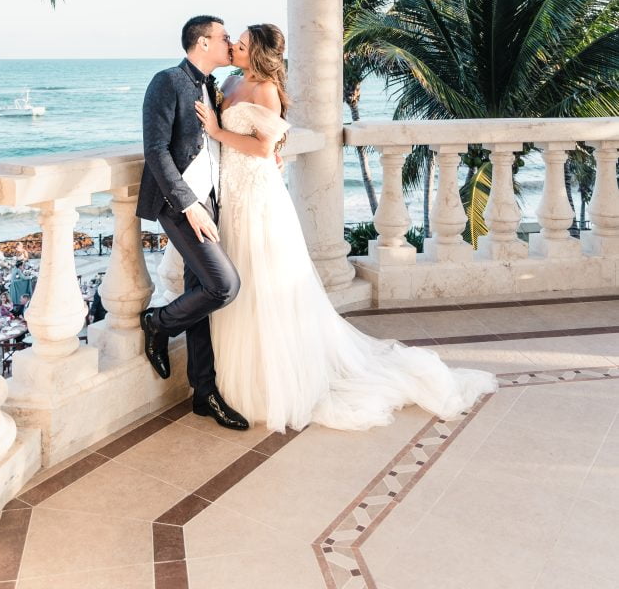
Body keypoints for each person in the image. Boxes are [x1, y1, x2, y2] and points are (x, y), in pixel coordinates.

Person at [194, 23, 498, 433]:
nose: (234, 47)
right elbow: (273, 142)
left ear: (259, 55)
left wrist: (217, 130)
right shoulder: (229, 80)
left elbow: (265, 146)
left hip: (257, 198)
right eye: (236, 43)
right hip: (231, 192)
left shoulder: (264, 89)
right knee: (242, 277)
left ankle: (269, 382)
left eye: (242, 45)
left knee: (261, 280)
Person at [136, 15, 249, 431]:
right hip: (180, 205)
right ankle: (157, 323)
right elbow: (155, 150)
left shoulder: (213, 85)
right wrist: (189, 204)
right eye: (223, 37)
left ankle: (204, 393)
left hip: (213, 202)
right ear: (202, 43)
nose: (229, 42)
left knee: (201, 291)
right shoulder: (166, 82)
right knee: (224, 286)